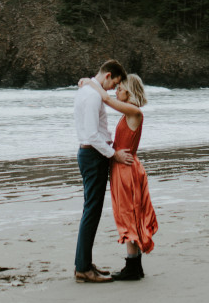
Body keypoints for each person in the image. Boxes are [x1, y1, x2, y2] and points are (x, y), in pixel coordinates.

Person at [81, 72, 157, 281]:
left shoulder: (134, 112)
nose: (117, 91)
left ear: (130, 91)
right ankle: (135, 266)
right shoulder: (129, 113)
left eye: (120, 88)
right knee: (128, 213)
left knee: (128, 214)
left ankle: (133, 266)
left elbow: (105, 99)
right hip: (123, 167)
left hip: (126, 170)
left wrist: (90, 83)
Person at [74, 59, 132, 283]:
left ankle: (84, 263)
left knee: (91, 209)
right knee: (92, 211)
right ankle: (83, 268)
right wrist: (113, 154)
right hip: (93, 155)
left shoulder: (86, 91)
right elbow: (91, 135)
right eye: (114, 83)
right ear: (107, 75)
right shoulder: (92, 95)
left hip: (90, 155)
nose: (113, 89)